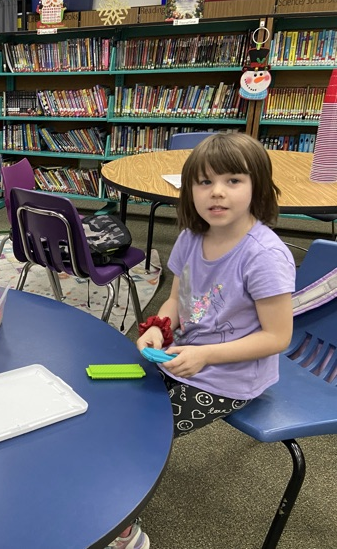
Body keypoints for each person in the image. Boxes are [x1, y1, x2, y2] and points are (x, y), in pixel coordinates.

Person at [107, 133, 296, 549]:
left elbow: (277, 337)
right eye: (204, 182)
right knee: (112, 406)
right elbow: (177, 299)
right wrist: (158, 326)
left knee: (139, 433)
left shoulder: (265, 256)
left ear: (258, 187)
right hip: (182, 356)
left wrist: (205, 354)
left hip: (228, 378)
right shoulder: (192, 237)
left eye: (233, 181)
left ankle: (123, 532)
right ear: (188, 190)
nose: (217, 192)